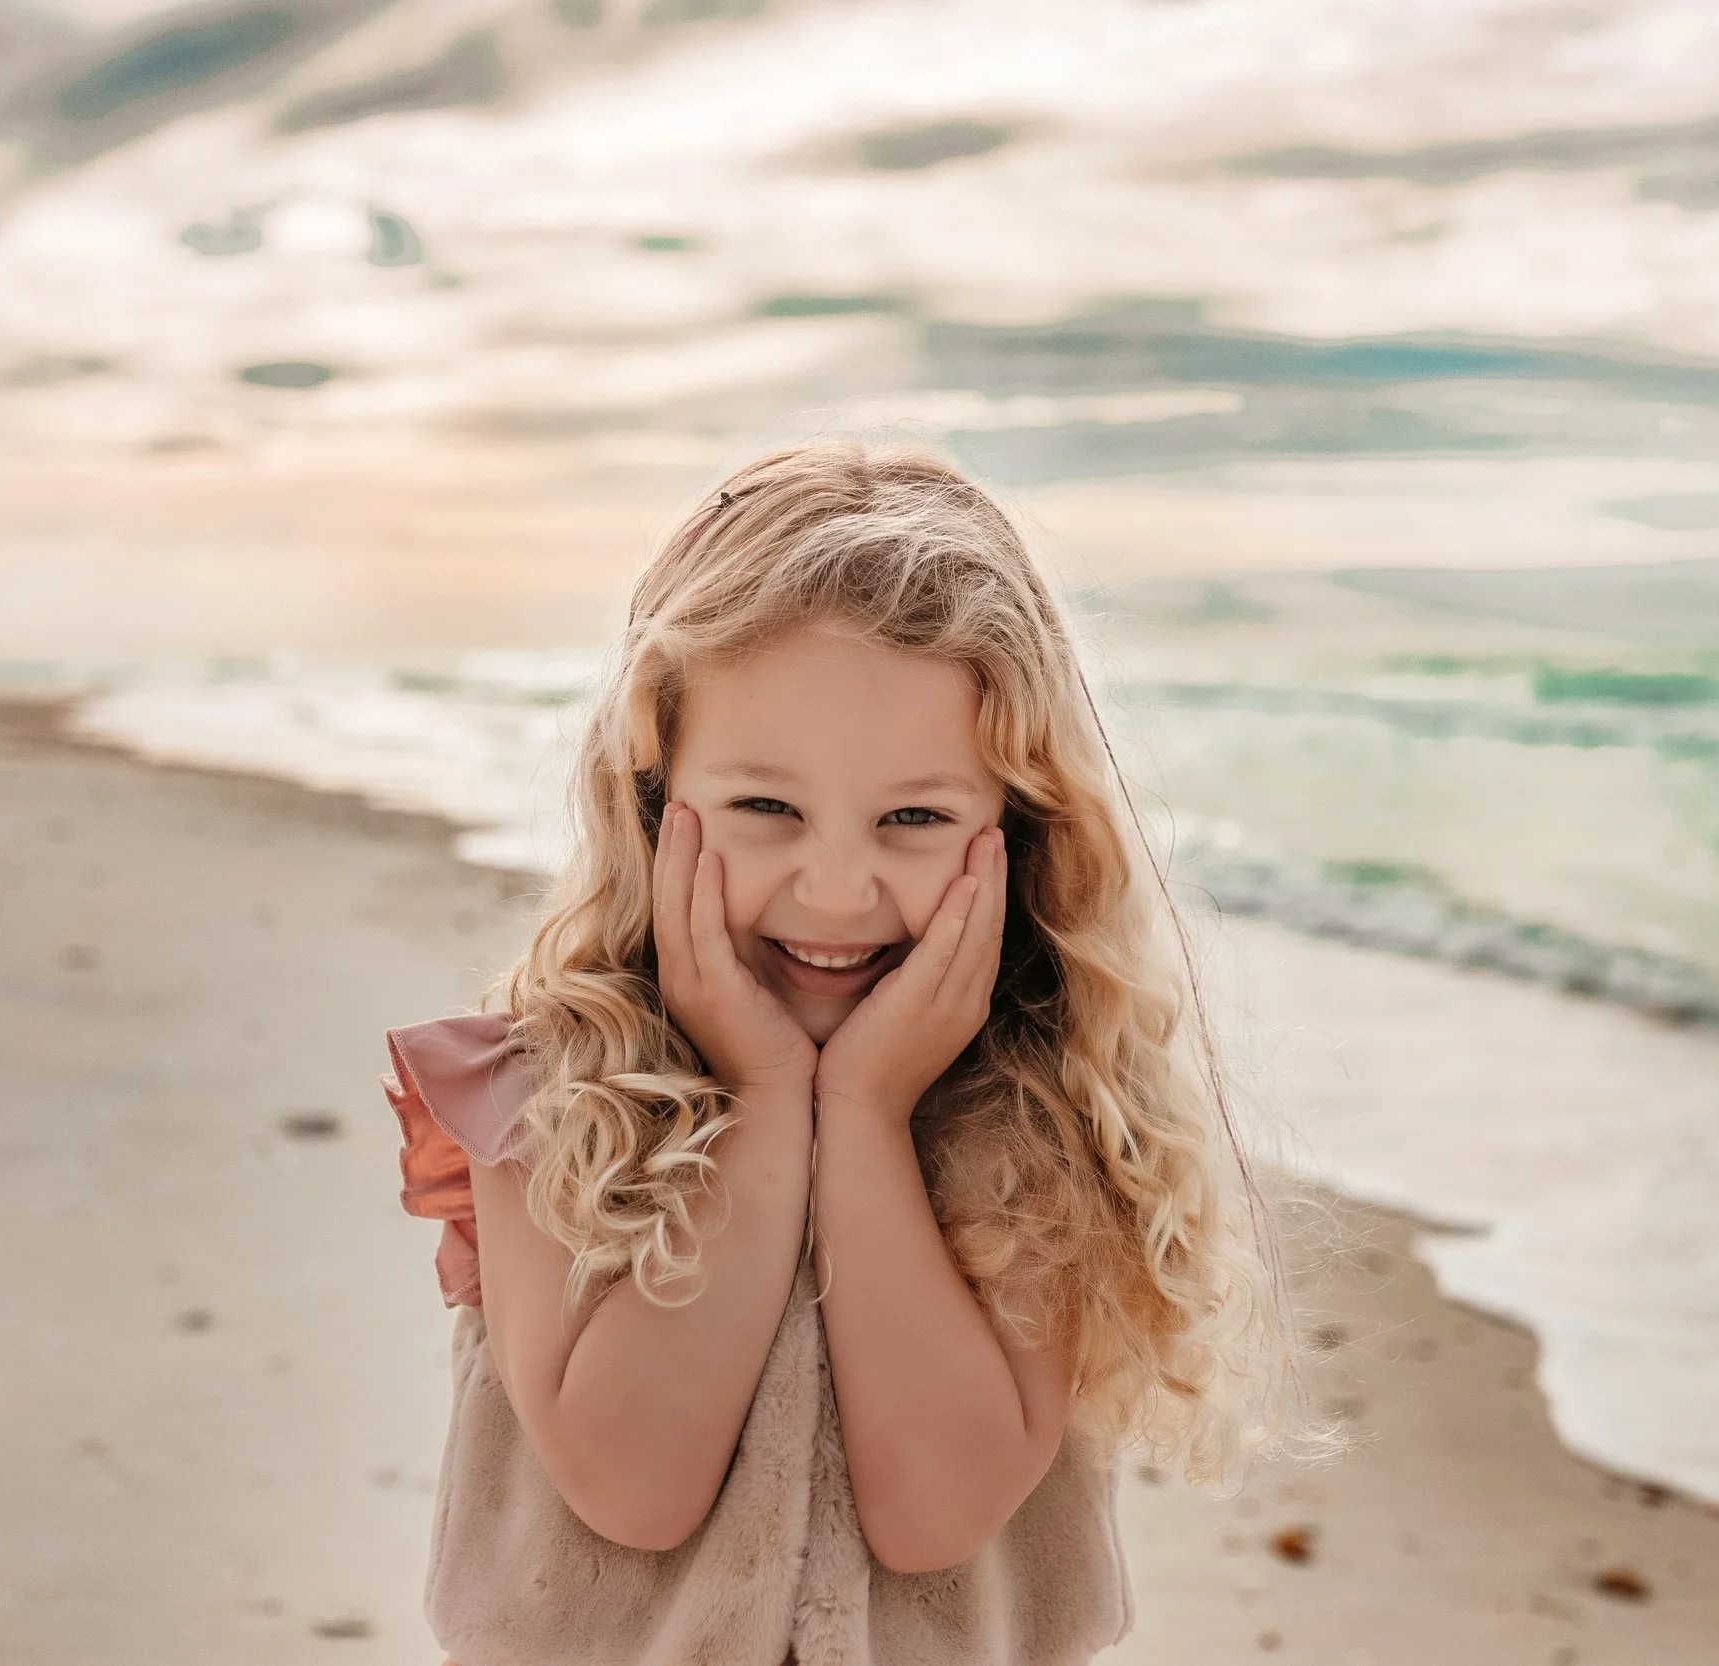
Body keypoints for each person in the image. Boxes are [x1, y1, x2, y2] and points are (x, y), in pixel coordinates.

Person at [384, 438, 1305, 1666]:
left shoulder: (1034, 1124)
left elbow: (936, 1512)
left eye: (914, 818)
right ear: (655, 797)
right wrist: (765, 1100)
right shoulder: (544, 1095)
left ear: (1017, 831)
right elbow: (630, 1485)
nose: (833, 888)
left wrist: (867, 1117)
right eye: (766, 808)